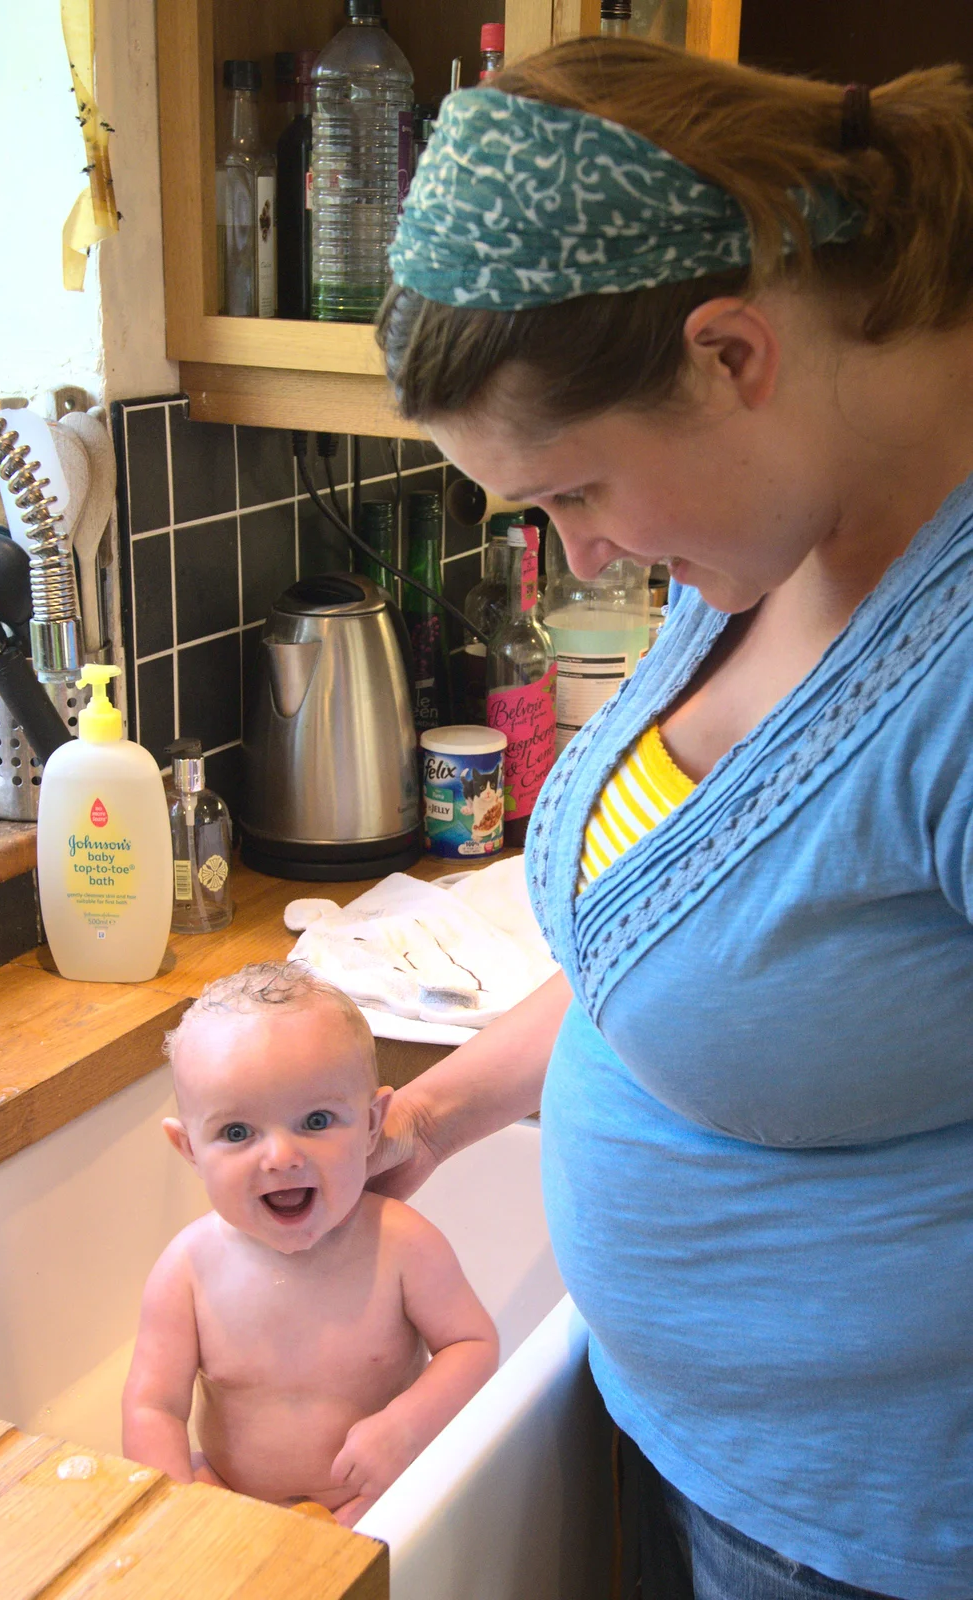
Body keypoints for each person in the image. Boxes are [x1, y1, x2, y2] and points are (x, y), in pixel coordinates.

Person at [369, 35, 973, 1600]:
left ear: (728, 355)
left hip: (870, 1543)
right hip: (683, 1451)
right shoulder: (779, 520)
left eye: (572, 492)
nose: (577, 561)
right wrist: (438, 1114)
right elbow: (698, 942)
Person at [122, 963, 498, 1526]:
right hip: (231, 1494)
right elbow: (154, 1407)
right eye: (236, 1132)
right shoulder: (188, 1271)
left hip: (374, 1495)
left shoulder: (399, 1244)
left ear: (372, 1124)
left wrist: (407, 1426)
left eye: (316, 1120)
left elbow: (472, 1345)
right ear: (188, 1149)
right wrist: (176, 1512)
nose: (281, 1157)